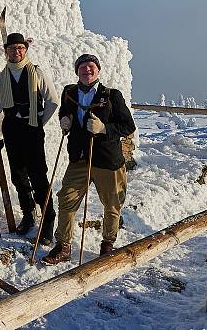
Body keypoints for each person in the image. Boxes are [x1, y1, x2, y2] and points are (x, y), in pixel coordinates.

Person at [42, 54, 136, 265]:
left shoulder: (112, 96)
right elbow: (65, 113)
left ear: (98, 70)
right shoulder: (69, 92)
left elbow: (128, 126)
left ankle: (107, 244)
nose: (87, 70)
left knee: (112, 203)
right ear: (77, 72)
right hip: (80, 159)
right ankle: (63, 245)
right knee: (66, 198)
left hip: (107, 160)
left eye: (91, 67)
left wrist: (104, 128)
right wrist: (64, 121)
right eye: (82, 68)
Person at [0, 33, 60, 240]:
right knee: (18, 175)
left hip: (32, 130)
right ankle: (28, 214)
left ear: (25, 50)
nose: (16, 51)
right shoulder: (3, 76)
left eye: (20, 48)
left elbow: (52, 101)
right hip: (11, 129)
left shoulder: (37, 72)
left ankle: (47, 219)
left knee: (38, 176)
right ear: (7, 52)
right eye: (12, 49)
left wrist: (37, 122)